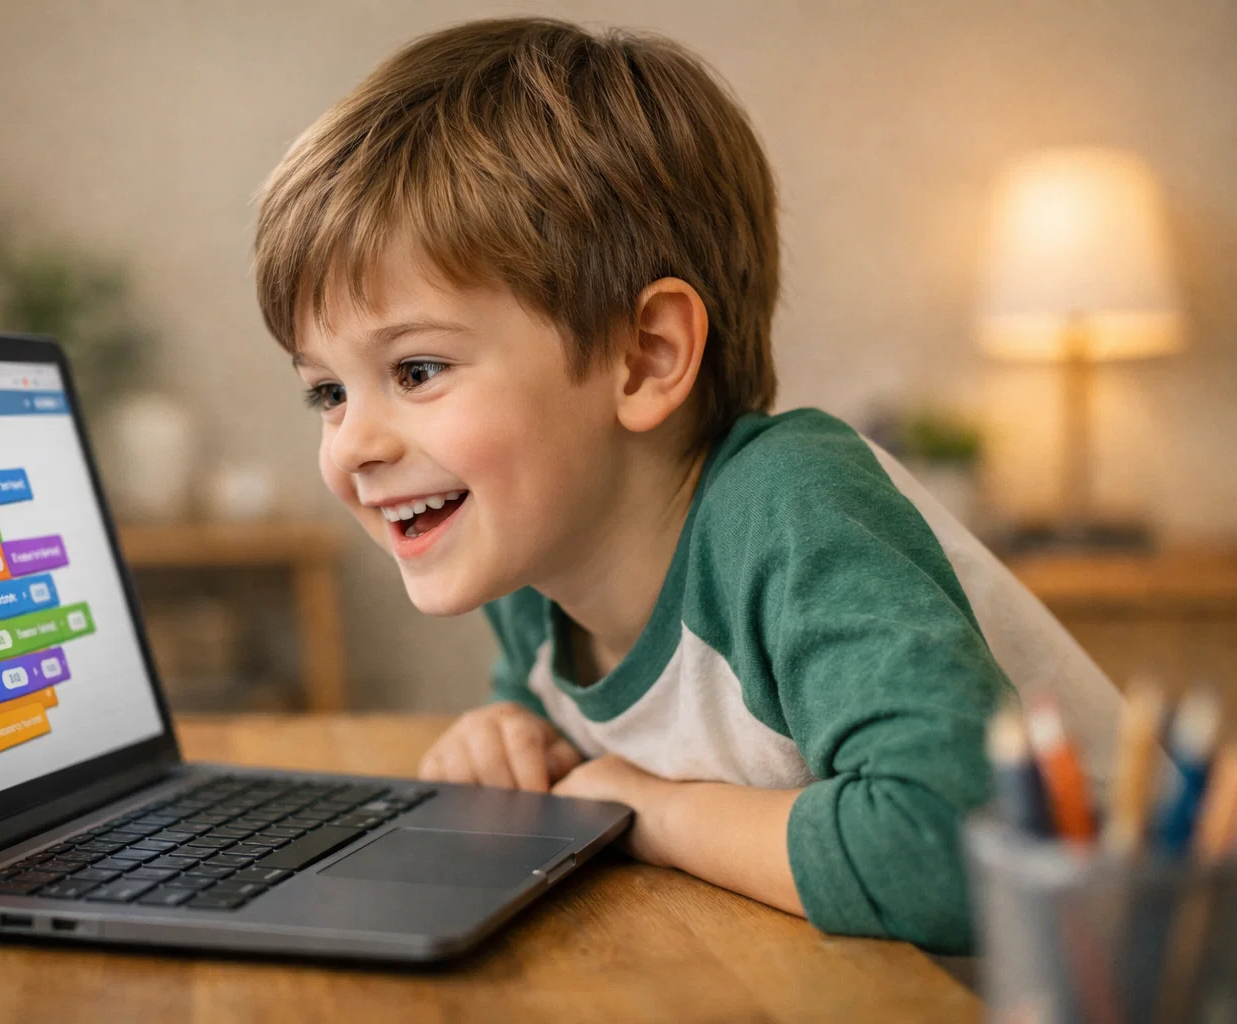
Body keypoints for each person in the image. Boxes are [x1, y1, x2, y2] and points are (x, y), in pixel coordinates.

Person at [251, 17, 1122, 954]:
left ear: (644, 357)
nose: (351, 448)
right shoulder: (530, 568)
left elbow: (948, 852)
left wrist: (652, 812)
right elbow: (554, 717)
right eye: (328, 393)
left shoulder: (791, 512)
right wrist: (510, 730)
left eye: (417, 370)